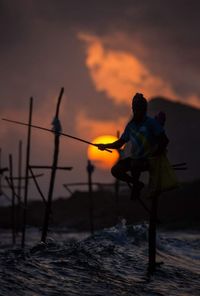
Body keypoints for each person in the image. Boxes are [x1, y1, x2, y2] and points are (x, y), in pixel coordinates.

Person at [97, 93, 169, 199]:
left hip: (149, 160)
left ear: (144, 110)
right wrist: (105, 146)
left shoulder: (151, 123)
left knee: (136, 164)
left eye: (139, 109)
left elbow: (164, 140)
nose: (136, 112)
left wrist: (155, 155)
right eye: (135, 109)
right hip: (135, 159)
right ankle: (136, 183)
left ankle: (136, 187)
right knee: (116, 170)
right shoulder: (131, 126)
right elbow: (120, 143)